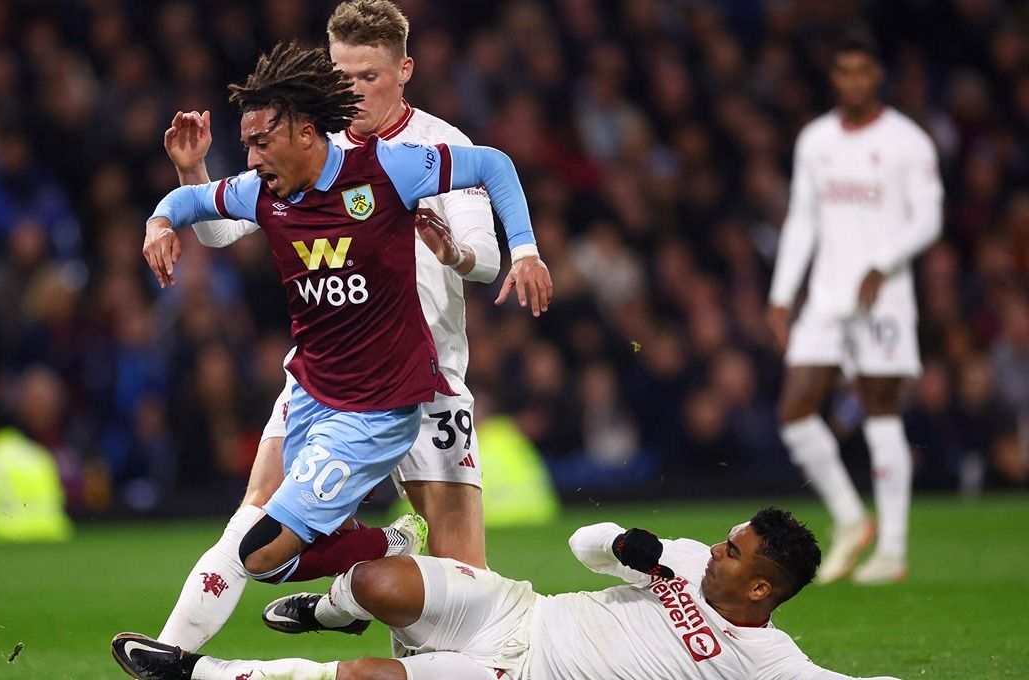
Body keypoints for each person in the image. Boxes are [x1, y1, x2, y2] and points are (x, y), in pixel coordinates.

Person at [151, 0, 551, 654]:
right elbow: (226, 229)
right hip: (326, 377)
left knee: (460, 586)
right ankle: (170, 657)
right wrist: (192, 175)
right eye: (342, 74)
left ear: (404, 71)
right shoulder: (311, 142)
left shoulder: (439, 146)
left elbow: (484, 260)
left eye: (368, 76)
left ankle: (349, 605)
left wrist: (455, 252)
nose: (353, 89)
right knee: (253, 520)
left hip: (426, 384)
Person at [111, 507, 902, 680]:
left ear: (761, 587)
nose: (716, 551)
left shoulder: (767, 657)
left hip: (522, 676)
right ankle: (328, 611)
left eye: (733, 552)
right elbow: (584, 544)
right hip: (520, 609)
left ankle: (195, 675)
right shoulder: (684, 560)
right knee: (379, 582)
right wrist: (634, 547)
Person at [767, 29, 942, 585]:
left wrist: (883, 261)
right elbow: (803, 219)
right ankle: (850, 517)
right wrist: (779, 293)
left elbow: (928, 218)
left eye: (863, 71)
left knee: (879, 408)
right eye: (844, 72)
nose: (853, 81)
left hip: (883, 297)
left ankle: (891, 548)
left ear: (877, 76)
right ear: (835, 78)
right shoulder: (816, 139)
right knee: (794, 413)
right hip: (826, 294)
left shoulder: (907, 141)